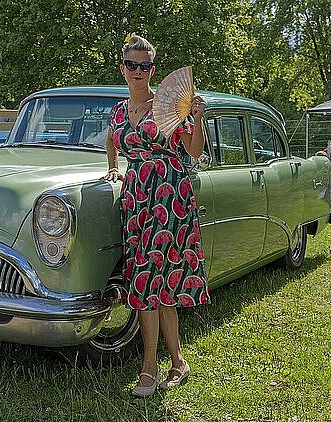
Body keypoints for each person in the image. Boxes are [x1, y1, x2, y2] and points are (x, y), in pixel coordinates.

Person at [103, 35, 210, 397]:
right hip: (137, 199)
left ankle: (150, 369)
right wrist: (113, 168)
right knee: (147, 281)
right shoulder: (119, 110)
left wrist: (197, 118)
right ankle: (177, 362)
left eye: (144, 66)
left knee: (155, 281)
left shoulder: (166, 107)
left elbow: (193, 151)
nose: (137, 71)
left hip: (170, 195)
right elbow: (112, 140)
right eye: (131, 64)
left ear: (153, 70)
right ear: (123, 67)